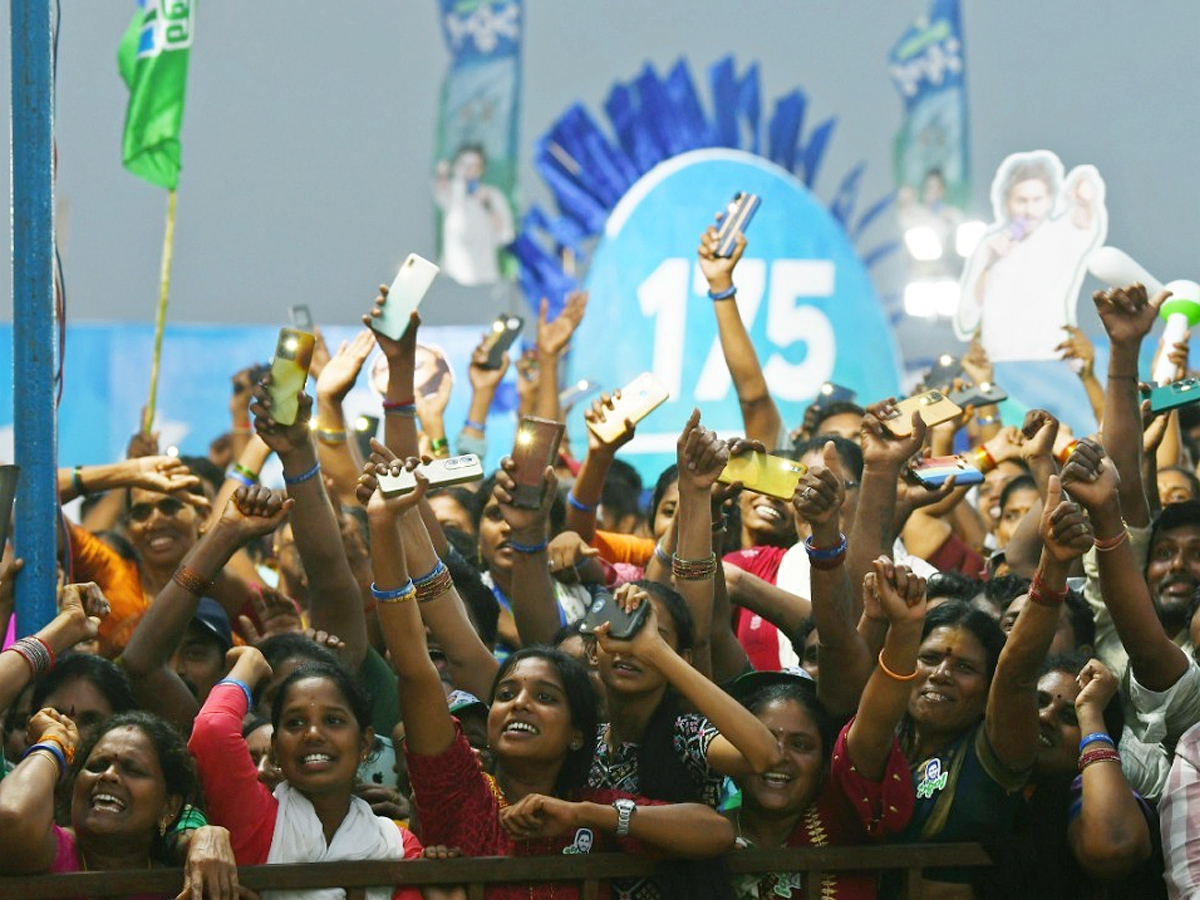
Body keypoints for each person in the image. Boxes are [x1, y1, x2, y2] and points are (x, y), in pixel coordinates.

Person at [360, 455, 735, 900]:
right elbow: (416, 671)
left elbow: (716, 833)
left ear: (579, 733)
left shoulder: (590, 805)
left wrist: (586, 815)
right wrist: (385, 524)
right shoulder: (459, 792)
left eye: (545, 696)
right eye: (506, 693)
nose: (520, 704)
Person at [726, 555, 924, 900]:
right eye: (763, 738)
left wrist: (905, 632)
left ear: (825, 761)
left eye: (801, 744)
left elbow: (874, 724)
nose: (778, 756)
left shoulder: (841, 811)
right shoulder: (706, 829)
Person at [188, 645, 424, 900]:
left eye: (333, 720)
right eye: (295, 723)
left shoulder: (398, 845)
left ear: (364, 743)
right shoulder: (255, 818)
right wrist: (250, 665)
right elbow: (212, 730)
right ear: (276, 748)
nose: (312, 734)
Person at [0, 707, 241, 900]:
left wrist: (207, 835)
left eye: (133, 770)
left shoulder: (181, 884)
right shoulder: (48, 852)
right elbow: (9, 817)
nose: (108, 775)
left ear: (169, 807)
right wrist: (54, 743)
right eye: (95, 766)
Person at [957, 150, 1105, 361]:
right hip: (1000, 361)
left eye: (1037, 200)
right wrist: (989, 265)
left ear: (1050, 199)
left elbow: (1083, 223)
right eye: (1021, 200)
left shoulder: (1060, 236)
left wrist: (1084, 196)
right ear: (1006, 201)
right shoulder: (991, 246)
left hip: (1050, 359)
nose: (1029, 209)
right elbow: (967, 318)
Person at [433, 144, 515, 286]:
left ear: (481, 168)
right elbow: (441, 188)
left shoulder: (493, 196)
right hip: (453, 278)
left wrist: (488, 206)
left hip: (484, 277)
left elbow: (506, 236)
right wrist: (443, 173)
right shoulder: (452, 193)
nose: (468, 170)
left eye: (473, 165)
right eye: (463, 164)